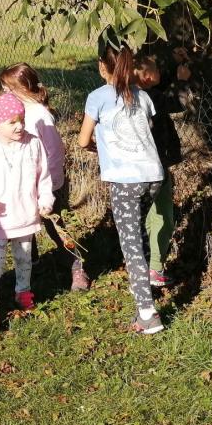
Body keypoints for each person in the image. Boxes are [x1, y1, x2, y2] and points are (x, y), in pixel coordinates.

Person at [76, 38, 165, 334]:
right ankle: (143, 286)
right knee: (138, 230)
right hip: (153, 175)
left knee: (131, 244)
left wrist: (98, 148)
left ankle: (148, 314)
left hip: (126, 181)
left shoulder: (97, 97)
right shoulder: (144, 96)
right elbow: (146, 131)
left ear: (102, 67)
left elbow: (83, 140)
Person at [0, 62, 90, 291]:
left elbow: (55, 151)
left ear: (22, 88)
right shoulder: (16, 114)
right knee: (23, 224)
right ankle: (32, 264)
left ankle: (76, 265)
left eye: (8, 88)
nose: (4, 93)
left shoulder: (39, 114)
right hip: (21, 182)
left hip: (45, 185)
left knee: (55, 226)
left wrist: (50, 184)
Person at [0, 93, 52, 334]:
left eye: (21, 120)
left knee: (24, 259)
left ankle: (23, 291)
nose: (19, 126)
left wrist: (45, 199)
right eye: (12, 122)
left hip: (25, 215)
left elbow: (43, 176)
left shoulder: (33, 144)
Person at [133, 51, 186, 288]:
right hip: (157, 165)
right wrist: (182, 81)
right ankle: (154, 267)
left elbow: (160, 87)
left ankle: (142, 264)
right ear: (146, 76)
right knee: (164, 216)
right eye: (156, 69)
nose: (160, 72)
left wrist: (175, 62)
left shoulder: (133, 94)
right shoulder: (151, 98)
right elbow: (176, 103)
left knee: (145, 215)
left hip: (138, 166)